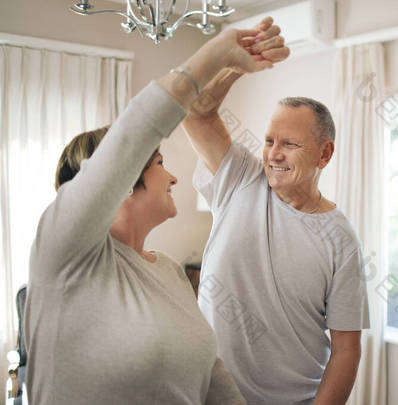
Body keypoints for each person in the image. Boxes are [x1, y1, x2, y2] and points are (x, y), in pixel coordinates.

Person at [24, 20, 288, 405]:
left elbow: (212, 378)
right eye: (160, 162)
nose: (175, 177)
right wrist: (215, 55)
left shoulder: (167, 271)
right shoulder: (63, 253)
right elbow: (135, 133)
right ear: (126, 176)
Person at [185, 19, 370, 404]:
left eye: (290, 144)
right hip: (207, 395)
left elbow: (346, 349)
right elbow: (197, 114)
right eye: (270, 140)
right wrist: (236, 66)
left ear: (325, 153)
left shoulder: (340, 240)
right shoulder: (239, 178)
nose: (273, 154)